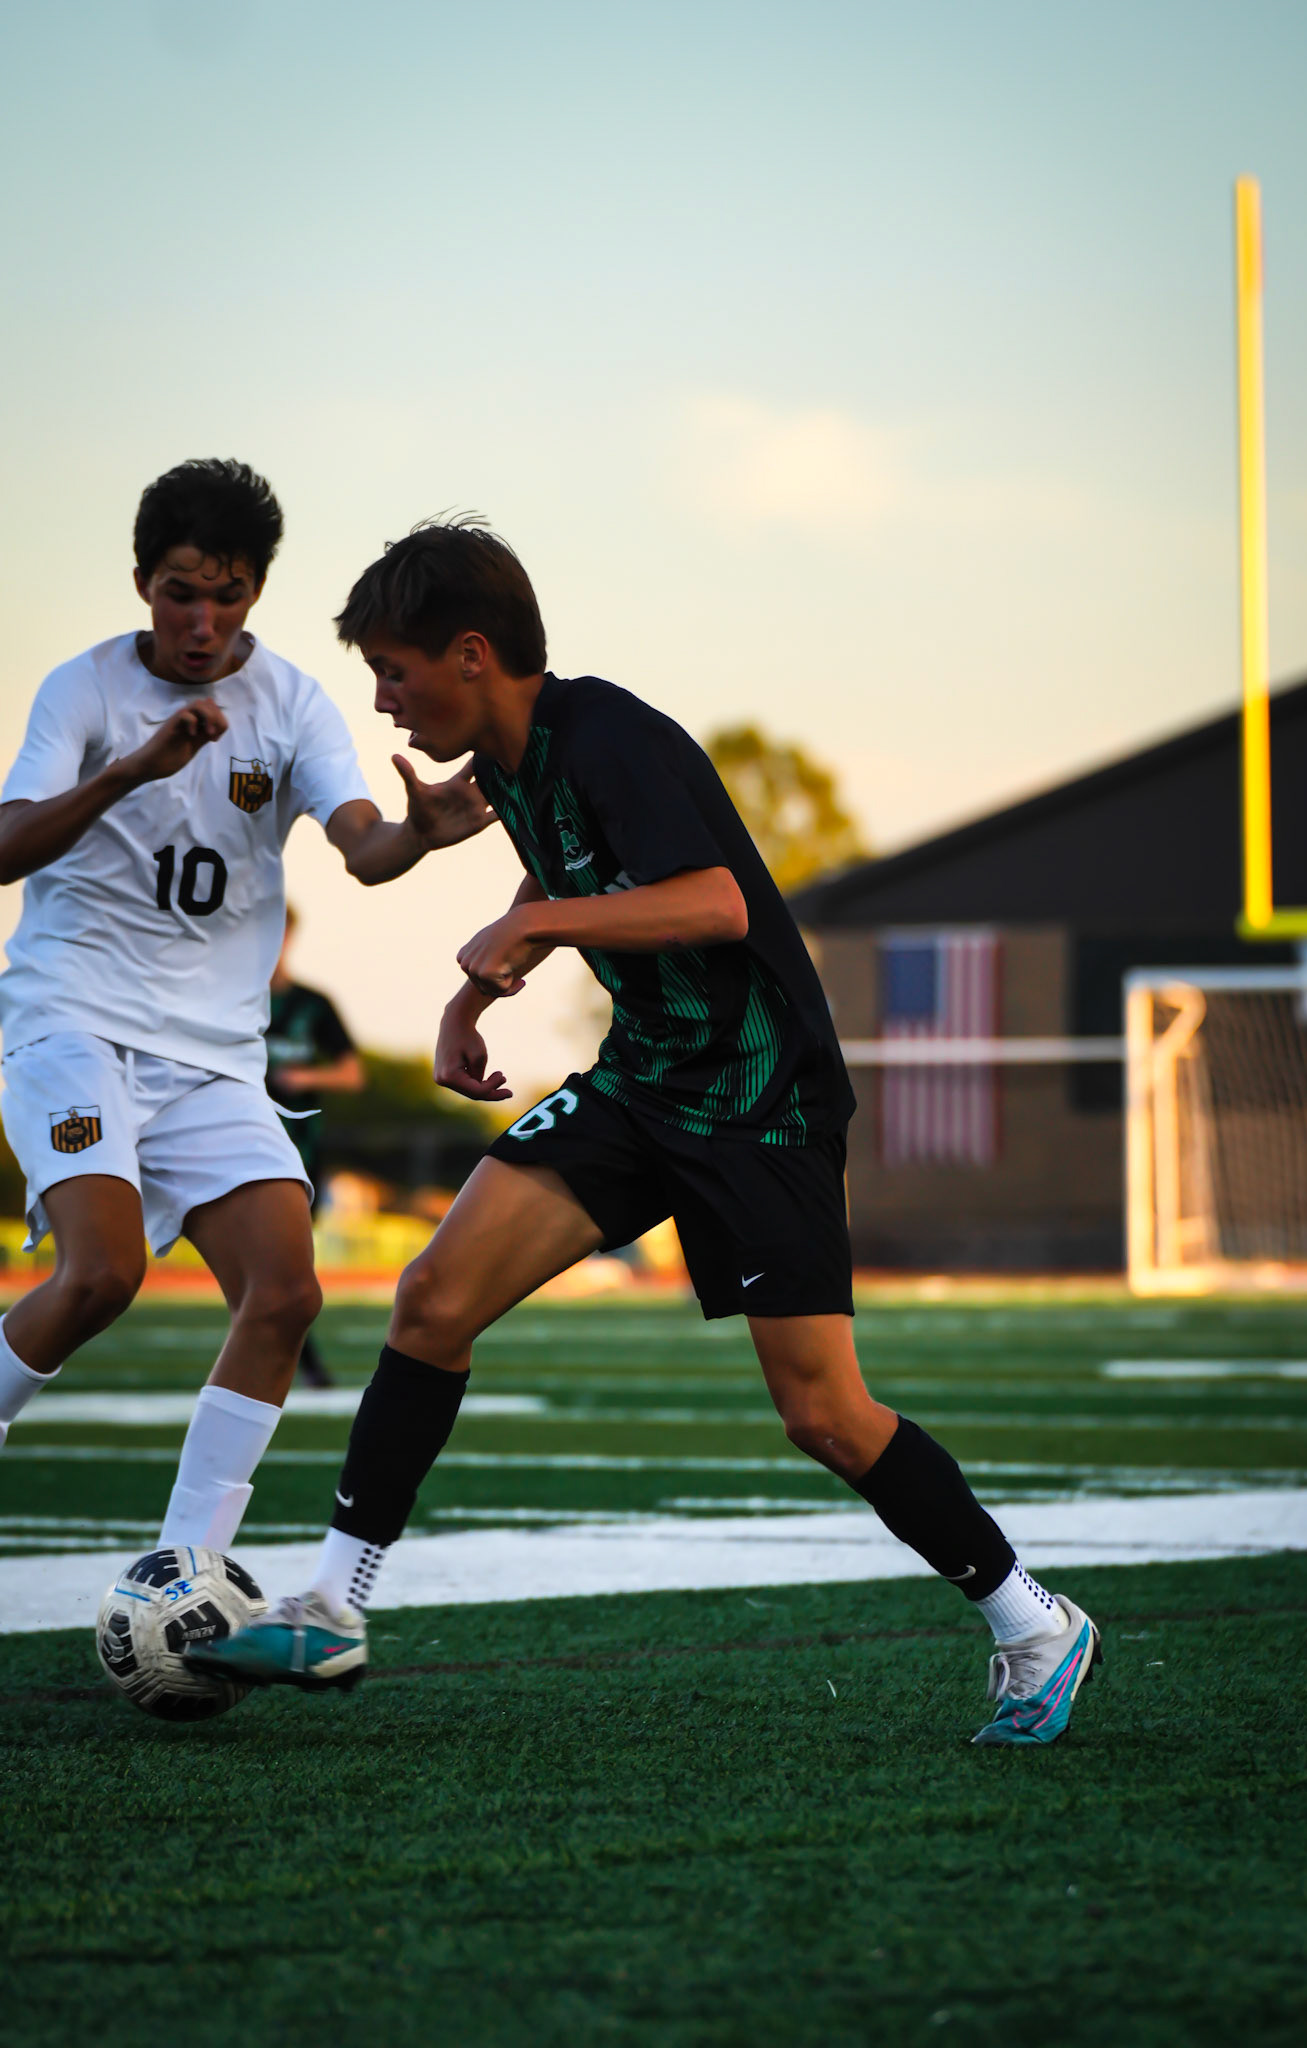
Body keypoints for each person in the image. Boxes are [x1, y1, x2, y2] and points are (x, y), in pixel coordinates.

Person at [194, 519, 1101, 1746]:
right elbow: (560, 868)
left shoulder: (607, 730)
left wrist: (536, 928)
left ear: (472, 654)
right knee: (432, 1298)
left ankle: (1035, 1622)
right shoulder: (509, 761)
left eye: (394, 671)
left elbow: (716, 902)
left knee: (825, 1413)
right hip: (644, 1081)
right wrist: (471, 998)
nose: (383, 700)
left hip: (762, 1097)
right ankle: (332, 1605)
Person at [0, 463, 491, 1559]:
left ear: (257, 590)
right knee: (101, 1275)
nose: (202, 621)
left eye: (226, 596)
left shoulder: (294, 702)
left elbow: (363, 845)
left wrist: (419, 835)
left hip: (214, 1058)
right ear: (143, 581)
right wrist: (129, 772)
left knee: (284, 1293)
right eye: (181, 593)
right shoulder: (82, 692)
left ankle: (186, 1567)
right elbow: (5, 844)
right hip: (72, 1025)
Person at [266, 905, 364, 1388]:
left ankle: (296, 1358)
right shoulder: (225, 1000)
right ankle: (299, 1361)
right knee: (264, 1264)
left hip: (298, 1150)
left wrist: (304, 1077)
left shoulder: (312, 1004)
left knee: (289, 1266)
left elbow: (352, 1072)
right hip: (237, 1147)